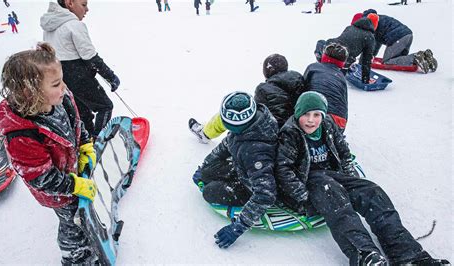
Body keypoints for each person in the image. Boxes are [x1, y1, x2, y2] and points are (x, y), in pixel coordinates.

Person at [275, 91, 451, 265]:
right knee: (338, 204)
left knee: (372, 192)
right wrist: (302, 197)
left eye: (316, 114)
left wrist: (351, 179)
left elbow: (344, 152)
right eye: (306, 114)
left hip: (334, 176)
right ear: (298, 113)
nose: (311, 120)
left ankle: (408, 255)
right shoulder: (291, 133)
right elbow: (283, 169)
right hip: (309, 181)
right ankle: (365, 255)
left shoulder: (328, 124)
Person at [0, 43, 98, 264]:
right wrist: (74, 185)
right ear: (28, 92)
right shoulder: (22, 136)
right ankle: (76, 257)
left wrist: (86, 144)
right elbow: (41, 178)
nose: (64, 87)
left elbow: (76, 123)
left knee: (82, 213)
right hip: (57, 192)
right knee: (72, 222)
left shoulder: (61, 99)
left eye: (61, 80)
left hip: (71, 171)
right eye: (55, 84)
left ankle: (90, 232)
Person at [192, 91, 278, 249]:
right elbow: (228, 143)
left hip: (250, 185)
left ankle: (235, 187)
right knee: (207, 172)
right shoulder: (249, 124)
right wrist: (206, 165)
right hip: (243, 165)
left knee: (210, 192)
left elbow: (266, 194)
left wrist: (237, 228)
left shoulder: (256, 153)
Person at [40, 0, 120, 138]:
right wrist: (110, 76)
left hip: (59, 78)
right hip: (78, 75)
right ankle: (99, 142)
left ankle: (87, 140)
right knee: (105, 106)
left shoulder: (49, 26)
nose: (87, 9)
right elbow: (90, 56)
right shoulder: (74, 25)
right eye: (83, 4)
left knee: (81, 112)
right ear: (70, 3)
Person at [189, 54, 305, 143]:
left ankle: (205, 134)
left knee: (234, 111)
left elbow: (256, 113)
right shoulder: (298, 78)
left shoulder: (264, 89)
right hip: (297, 130)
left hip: (274, 134)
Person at [362, 9, 436, 74]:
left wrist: (368, 56)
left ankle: (415, 57)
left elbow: (375, 44)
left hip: (397, 38)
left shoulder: (371, 23)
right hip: (408, 35)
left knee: (387, 62)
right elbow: (377, 42)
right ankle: (425, 56)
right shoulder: (378, 18)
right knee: (399, 59)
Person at [315, 14, 378, 84]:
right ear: (374, 26)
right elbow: (366, 60)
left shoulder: (350, 27)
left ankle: (322, 60)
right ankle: (340, 69)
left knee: (321, 42)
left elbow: (343, 42)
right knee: (346, 57)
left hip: (330, 49)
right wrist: (365, 79)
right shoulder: (370, 37)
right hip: (344, 57)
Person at [304, 43, 350, 131]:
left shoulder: (313, 67)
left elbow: (301, 89)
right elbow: (344, 104)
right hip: (337, 120)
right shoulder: (341, 77)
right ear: (342, 63)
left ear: (324, 56)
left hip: (313, 115)